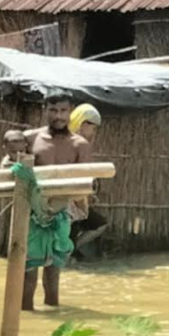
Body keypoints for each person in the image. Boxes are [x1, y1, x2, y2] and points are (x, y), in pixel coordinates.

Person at [21, 91, 91, 310]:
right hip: (32, 212)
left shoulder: (80, 144)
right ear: (45, 111)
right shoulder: (31, 138)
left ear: (70, 112)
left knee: (53, 273)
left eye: (63, 111)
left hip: (62, 213)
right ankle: (26, 316)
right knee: (27, 273)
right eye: (53, 110)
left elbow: (84, 184)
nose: (58, 116)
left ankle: (52, 313)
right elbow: (15, 167)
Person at [67, 104, 108, 258]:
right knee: (61, 258)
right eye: (93, 127)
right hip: (67, 206)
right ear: (83, 124)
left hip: (77, 206)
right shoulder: (69, 144)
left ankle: (73, 250)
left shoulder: (79, 144)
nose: (94, 132)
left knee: (98, 223)